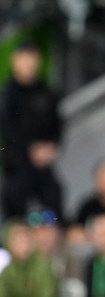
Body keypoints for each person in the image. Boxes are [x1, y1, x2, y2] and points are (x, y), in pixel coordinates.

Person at [0, 41, 64, 222]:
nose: (29, 63)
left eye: (32, 58)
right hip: (17, 168)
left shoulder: (46, 91)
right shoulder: (8, 93)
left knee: (53, 212)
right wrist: (31, 148)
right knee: (16, 221)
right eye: (24, 58)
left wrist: (51, 147)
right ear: (15, 61)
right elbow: (8, 128)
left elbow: (57, 123)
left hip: (44, 167)